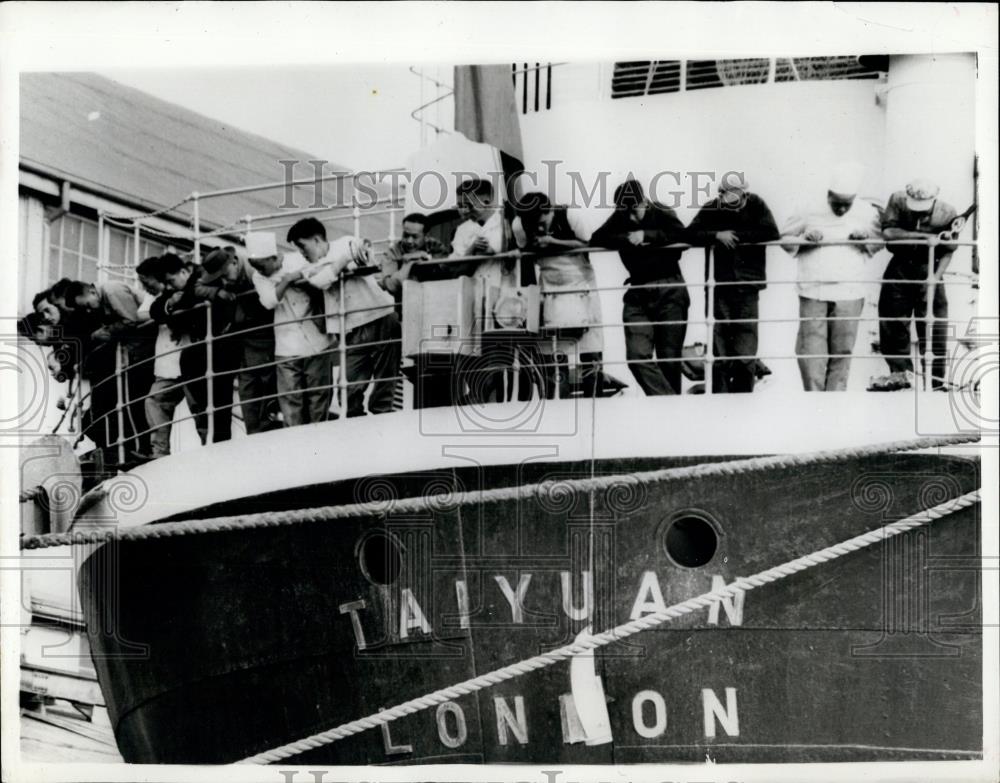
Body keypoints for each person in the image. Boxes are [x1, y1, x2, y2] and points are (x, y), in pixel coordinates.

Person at [781, 165, 882, 391]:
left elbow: (878, 243)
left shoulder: (867, 212)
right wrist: (805, 239)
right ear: (828, 195)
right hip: (813, 288)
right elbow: (786, 239)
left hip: (850, 289)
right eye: (837, 203)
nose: (842, 209)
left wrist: (864, 239)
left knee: (843, 350)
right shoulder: (807, 208)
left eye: (848, 204)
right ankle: (814, 400)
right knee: (811, 353)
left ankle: (835, 401)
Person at [288, 218, 400, 418]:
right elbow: (319, 281)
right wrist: (342, 262)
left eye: (303, 246)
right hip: (351, 329)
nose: (302, 253)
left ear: (316, 240)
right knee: (348, 393)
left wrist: (343, 262)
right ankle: (359, 435)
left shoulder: (345, 242)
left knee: (385, 383)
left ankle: (384, 430)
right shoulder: (312, 265)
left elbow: (365, 255)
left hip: (380, 314)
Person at [592, 179, 688, 396]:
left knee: (669, 360)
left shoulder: (662, 212)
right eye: (626, 212)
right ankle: (672, 404)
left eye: (635, 210)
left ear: (644, 201)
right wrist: (626, 238)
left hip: (669, 288)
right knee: (637, 358)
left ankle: (671, 417)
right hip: (638, 291)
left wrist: (647, 236)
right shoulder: (622, 216)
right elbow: (597, 238)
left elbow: (683, 236)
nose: (631, 217)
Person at [686, 174, 780, 393]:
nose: (731, 198)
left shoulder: (756, 204)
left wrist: (736, 237)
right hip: (719, 287)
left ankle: (743, 399)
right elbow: (690, 233)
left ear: (744, 192)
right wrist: (716, 235)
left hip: (747, 286)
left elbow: (770, 232)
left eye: (736, 194)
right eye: (726, 194)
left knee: (745, 349)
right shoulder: (713, 208)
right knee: (719, 349)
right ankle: (720, 399)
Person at [451, 177, 532, 404]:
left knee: (503, 357)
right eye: (461, 204)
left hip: (503, 300)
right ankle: (479, 398)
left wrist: (493, 250)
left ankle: (503, 403)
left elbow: (520, 250)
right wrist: (471, 251)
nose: (465, 209)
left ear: (486, 200)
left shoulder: (508, 223)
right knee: (470, 355)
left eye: (469, 203)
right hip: (474, 299)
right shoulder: (463, 230)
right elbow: (456, 266)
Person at [872, 179, 958, 390]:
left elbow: (949, 248)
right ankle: (901, 377)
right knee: (892, 323)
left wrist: (935, 278)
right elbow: (889, 234)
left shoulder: (948, 212)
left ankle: (936, 382)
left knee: (934, 326)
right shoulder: (898, 200)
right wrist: (926, 237)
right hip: (899, 267)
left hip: (930, 269)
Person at [517, 193, 604, 398]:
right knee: (552, 349)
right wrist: (531, 298)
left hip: (581, 282)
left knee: (590, 347)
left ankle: (595, 401)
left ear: (550, 211)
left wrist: (554, 242)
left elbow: (589, 244)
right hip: (549, 285)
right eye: (532, 224)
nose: (538, 228)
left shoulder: (571, 216)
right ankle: (556, 400)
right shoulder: (518, 225)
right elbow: (525, 257)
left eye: (541, 222)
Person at [247, 231, 332, 427]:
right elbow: (268, 301)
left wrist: (302, 279)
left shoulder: (299, 259)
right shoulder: (259, 277)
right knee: (290, 403)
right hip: (286, 346)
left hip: (316, 339)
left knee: (318, 399)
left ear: (273, 257)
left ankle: (319, 445)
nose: (259, 270)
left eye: (261, 265)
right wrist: (287, 280)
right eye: (254, 267)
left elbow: (322, 279)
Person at [67, 278, 153, 459]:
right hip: (136, 351)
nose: (89, 310)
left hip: (145, 349)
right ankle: (137, 448)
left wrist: (105, 331)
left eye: (88, 305)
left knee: (136, 400)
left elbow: (131, 320)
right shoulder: (103, 298)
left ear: (92, 291)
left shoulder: (111, 290)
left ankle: (143, 447)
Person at [380, 213, 457, 409]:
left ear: (425, 236)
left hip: (438, 318)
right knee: (413, 369)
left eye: (415, 236)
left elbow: (450, 270)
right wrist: (408, 264)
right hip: (408, 320)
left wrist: (428, 259)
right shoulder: (394, 252)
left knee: (440, 372)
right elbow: (391, 285)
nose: (409, 241)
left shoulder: (436, 247)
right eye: (406, 235)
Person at [136, 256, 189, 458]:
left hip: (186, 356)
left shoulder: (177, 290)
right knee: (154, 401)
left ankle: (210, 448)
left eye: (145, 281)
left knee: (199, 407)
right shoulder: (158, 297)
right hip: (167, 364)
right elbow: (141, 314)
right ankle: (159, 452)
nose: (143, 286)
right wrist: (165, 308)